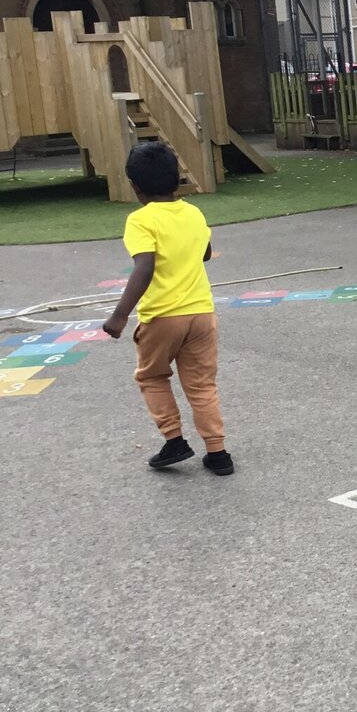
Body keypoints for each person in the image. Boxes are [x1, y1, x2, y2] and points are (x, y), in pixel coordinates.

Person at [102, 142, 234, 475]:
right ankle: (218, 453)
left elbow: (143, 266)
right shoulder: (193, 212)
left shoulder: (140, 220)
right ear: (177, 181)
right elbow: (204, 254)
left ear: (135, 186)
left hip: (163, 316)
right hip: (202, 313)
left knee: (153, 377)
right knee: (202, 385)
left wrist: (119, 315)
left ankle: (174, 440)